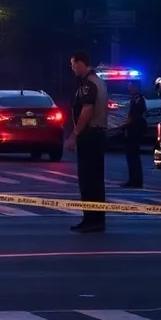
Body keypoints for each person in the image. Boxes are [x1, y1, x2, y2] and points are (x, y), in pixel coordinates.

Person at [64, 51, 108, 232]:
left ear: (82, 63)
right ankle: (95, 219)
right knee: (96, 180)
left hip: (90, 135)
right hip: (97, 135)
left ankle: (92, 219)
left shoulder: (88, 85)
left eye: (73, 64)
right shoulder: (98, 81)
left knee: (88, 180)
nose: (72, 68)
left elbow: (87, 110)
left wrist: (74, 134)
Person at [120, 80, 146, 188]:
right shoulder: (134, 99)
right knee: (131, 157)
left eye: (130, 86)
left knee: (133, 156)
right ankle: (132, 179)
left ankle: (136, 181)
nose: (128, 88)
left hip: (135, 131)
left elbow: (134, 116)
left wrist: (123, 125)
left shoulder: (139, 99)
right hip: (131, 130)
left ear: (136, 87)